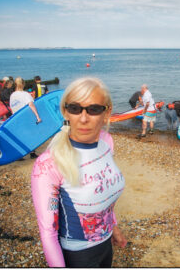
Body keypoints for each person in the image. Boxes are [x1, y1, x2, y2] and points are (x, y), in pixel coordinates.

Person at [31, 77, 127, 267]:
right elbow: (48, 231)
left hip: (106, 244)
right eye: (75, 108)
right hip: (77, 255)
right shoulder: (49, 164)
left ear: (106, 112)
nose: (83, 118)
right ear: (66, 112)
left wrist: (113, 228)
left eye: (93, 109)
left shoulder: (106, 142)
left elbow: (104, 190)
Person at [10, 77, 42, 159]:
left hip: (15, 118)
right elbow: (31, 105)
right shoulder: (25, 94)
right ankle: (32, 153)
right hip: (26, 118)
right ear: (23, 84)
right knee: (31, 135)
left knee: (19, 136)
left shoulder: (12, 95)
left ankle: (19, 155)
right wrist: (38, 117)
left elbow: (12, 107)